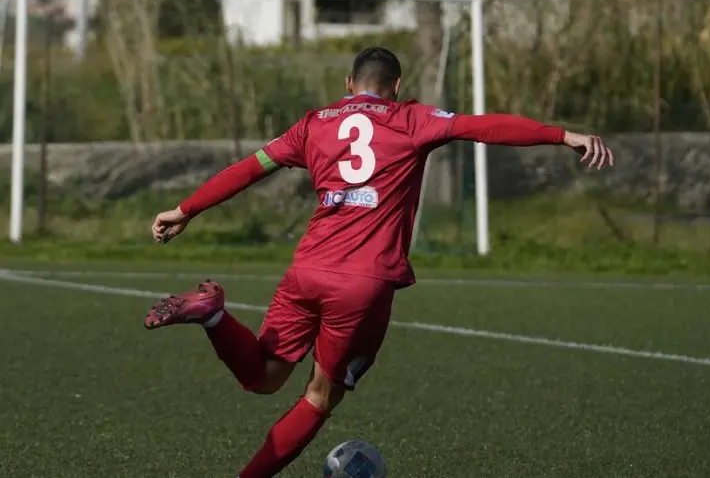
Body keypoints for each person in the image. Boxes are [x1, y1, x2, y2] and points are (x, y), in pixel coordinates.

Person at [143, 47, 614, 478]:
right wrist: (563, 135)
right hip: (362, 284)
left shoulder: (313, 124)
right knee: (319, 397)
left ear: (349, 83)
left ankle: (214, 315)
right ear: (398, 84)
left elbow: (248, 168)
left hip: (307, 270)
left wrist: (185, 210)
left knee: (263, 377)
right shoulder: (412, 119)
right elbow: (484, 127)